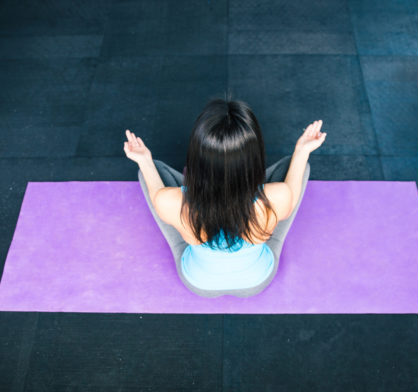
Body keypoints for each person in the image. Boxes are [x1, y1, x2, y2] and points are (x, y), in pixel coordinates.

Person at [123, 98, 327, 298]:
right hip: (255, 282)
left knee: (150, 171)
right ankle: (250, 178)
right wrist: (302, 150)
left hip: (199, 283)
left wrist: (144, 160)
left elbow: (157, 189)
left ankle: (204, 181)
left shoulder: (171, 202)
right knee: (298, 167)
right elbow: (289, 194)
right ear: (253, 157)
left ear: (197, 157)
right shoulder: (278, 197)